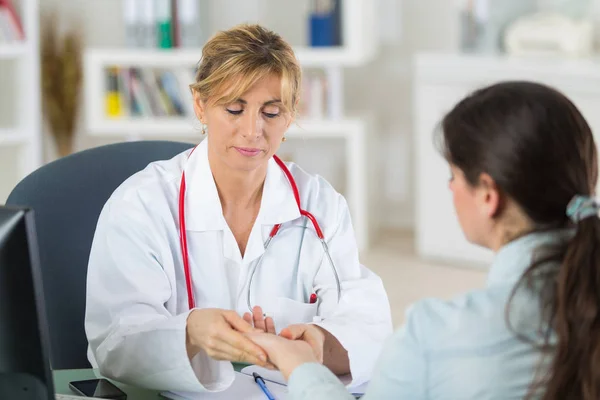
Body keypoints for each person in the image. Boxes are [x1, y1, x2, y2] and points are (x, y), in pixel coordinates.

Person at [84, 23, 392, 393]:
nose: (252, 130)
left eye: (271, 112)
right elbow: (114, 342)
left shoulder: (320, 206)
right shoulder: (141, 205)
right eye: (234, 108)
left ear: (291, 115)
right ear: (200, 105)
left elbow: (368, 327)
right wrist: (191, 333)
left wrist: (317, 343)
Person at [248, 80, 600, 400]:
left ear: (489, 196)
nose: (450, 188)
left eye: (454, 176)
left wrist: (301, 368)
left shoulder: (437, 335)